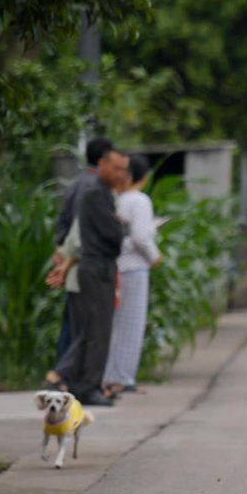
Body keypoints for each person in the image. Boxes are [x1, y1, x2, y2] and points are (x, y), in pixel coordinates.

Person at [50, 143, 127, 406]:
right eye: (115, 168)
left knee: (86, 330)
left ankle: (75, 382)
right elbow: (113, 235)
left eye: (123, 170)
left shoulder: (85, 188)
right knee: (93, 331)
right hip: (93, 266)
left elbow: (65, 228)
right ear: (101, 164)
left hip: (86, 266)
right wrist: (120, 226)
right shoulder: (95, 191)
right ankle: (69, 378)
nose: (120, 174)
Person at [103, 155, 163, 394]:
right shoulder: (140, 200)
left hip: (116, 265)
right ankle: (123, 378)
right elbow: (139, 237)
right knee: (132, 324)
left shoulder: (116, 198)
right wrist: (154, 256)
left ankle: (110, 375)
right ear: (145, 177)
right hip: (135, 267)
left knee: (116, 325)